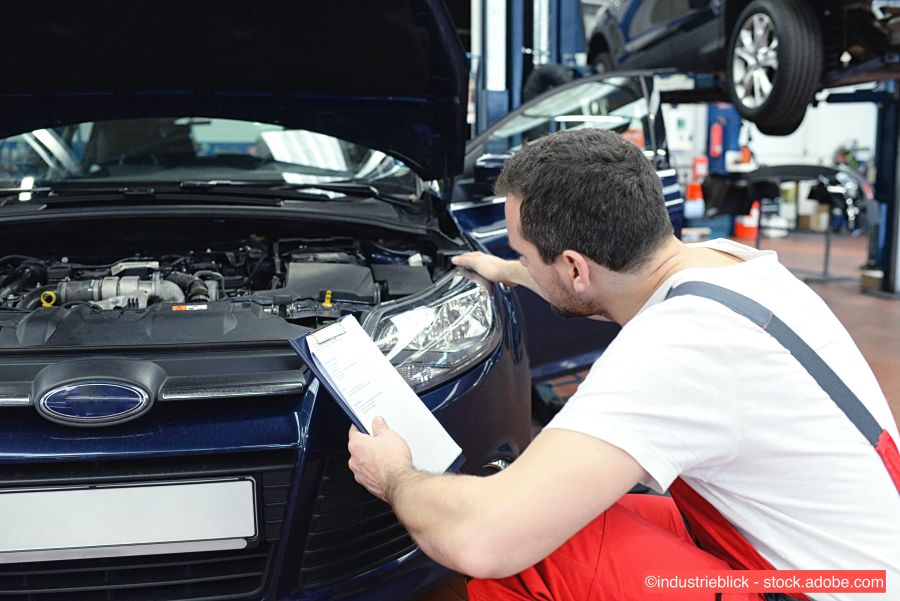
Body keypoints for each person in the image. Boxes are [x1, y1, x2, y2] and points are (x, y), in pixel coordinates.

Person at [347, 129, 900, 601]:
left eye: (524, 254)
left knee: (528, 549)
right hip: (855, 568)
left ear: (574, 267)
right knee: (570, 510)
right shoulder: (732, 266)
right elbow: (607, 293)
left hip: (815, 589)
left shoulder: (676, 348)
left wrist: (394, 475)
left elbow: (482, 539)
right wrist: (510, 272)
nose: (519, 262)